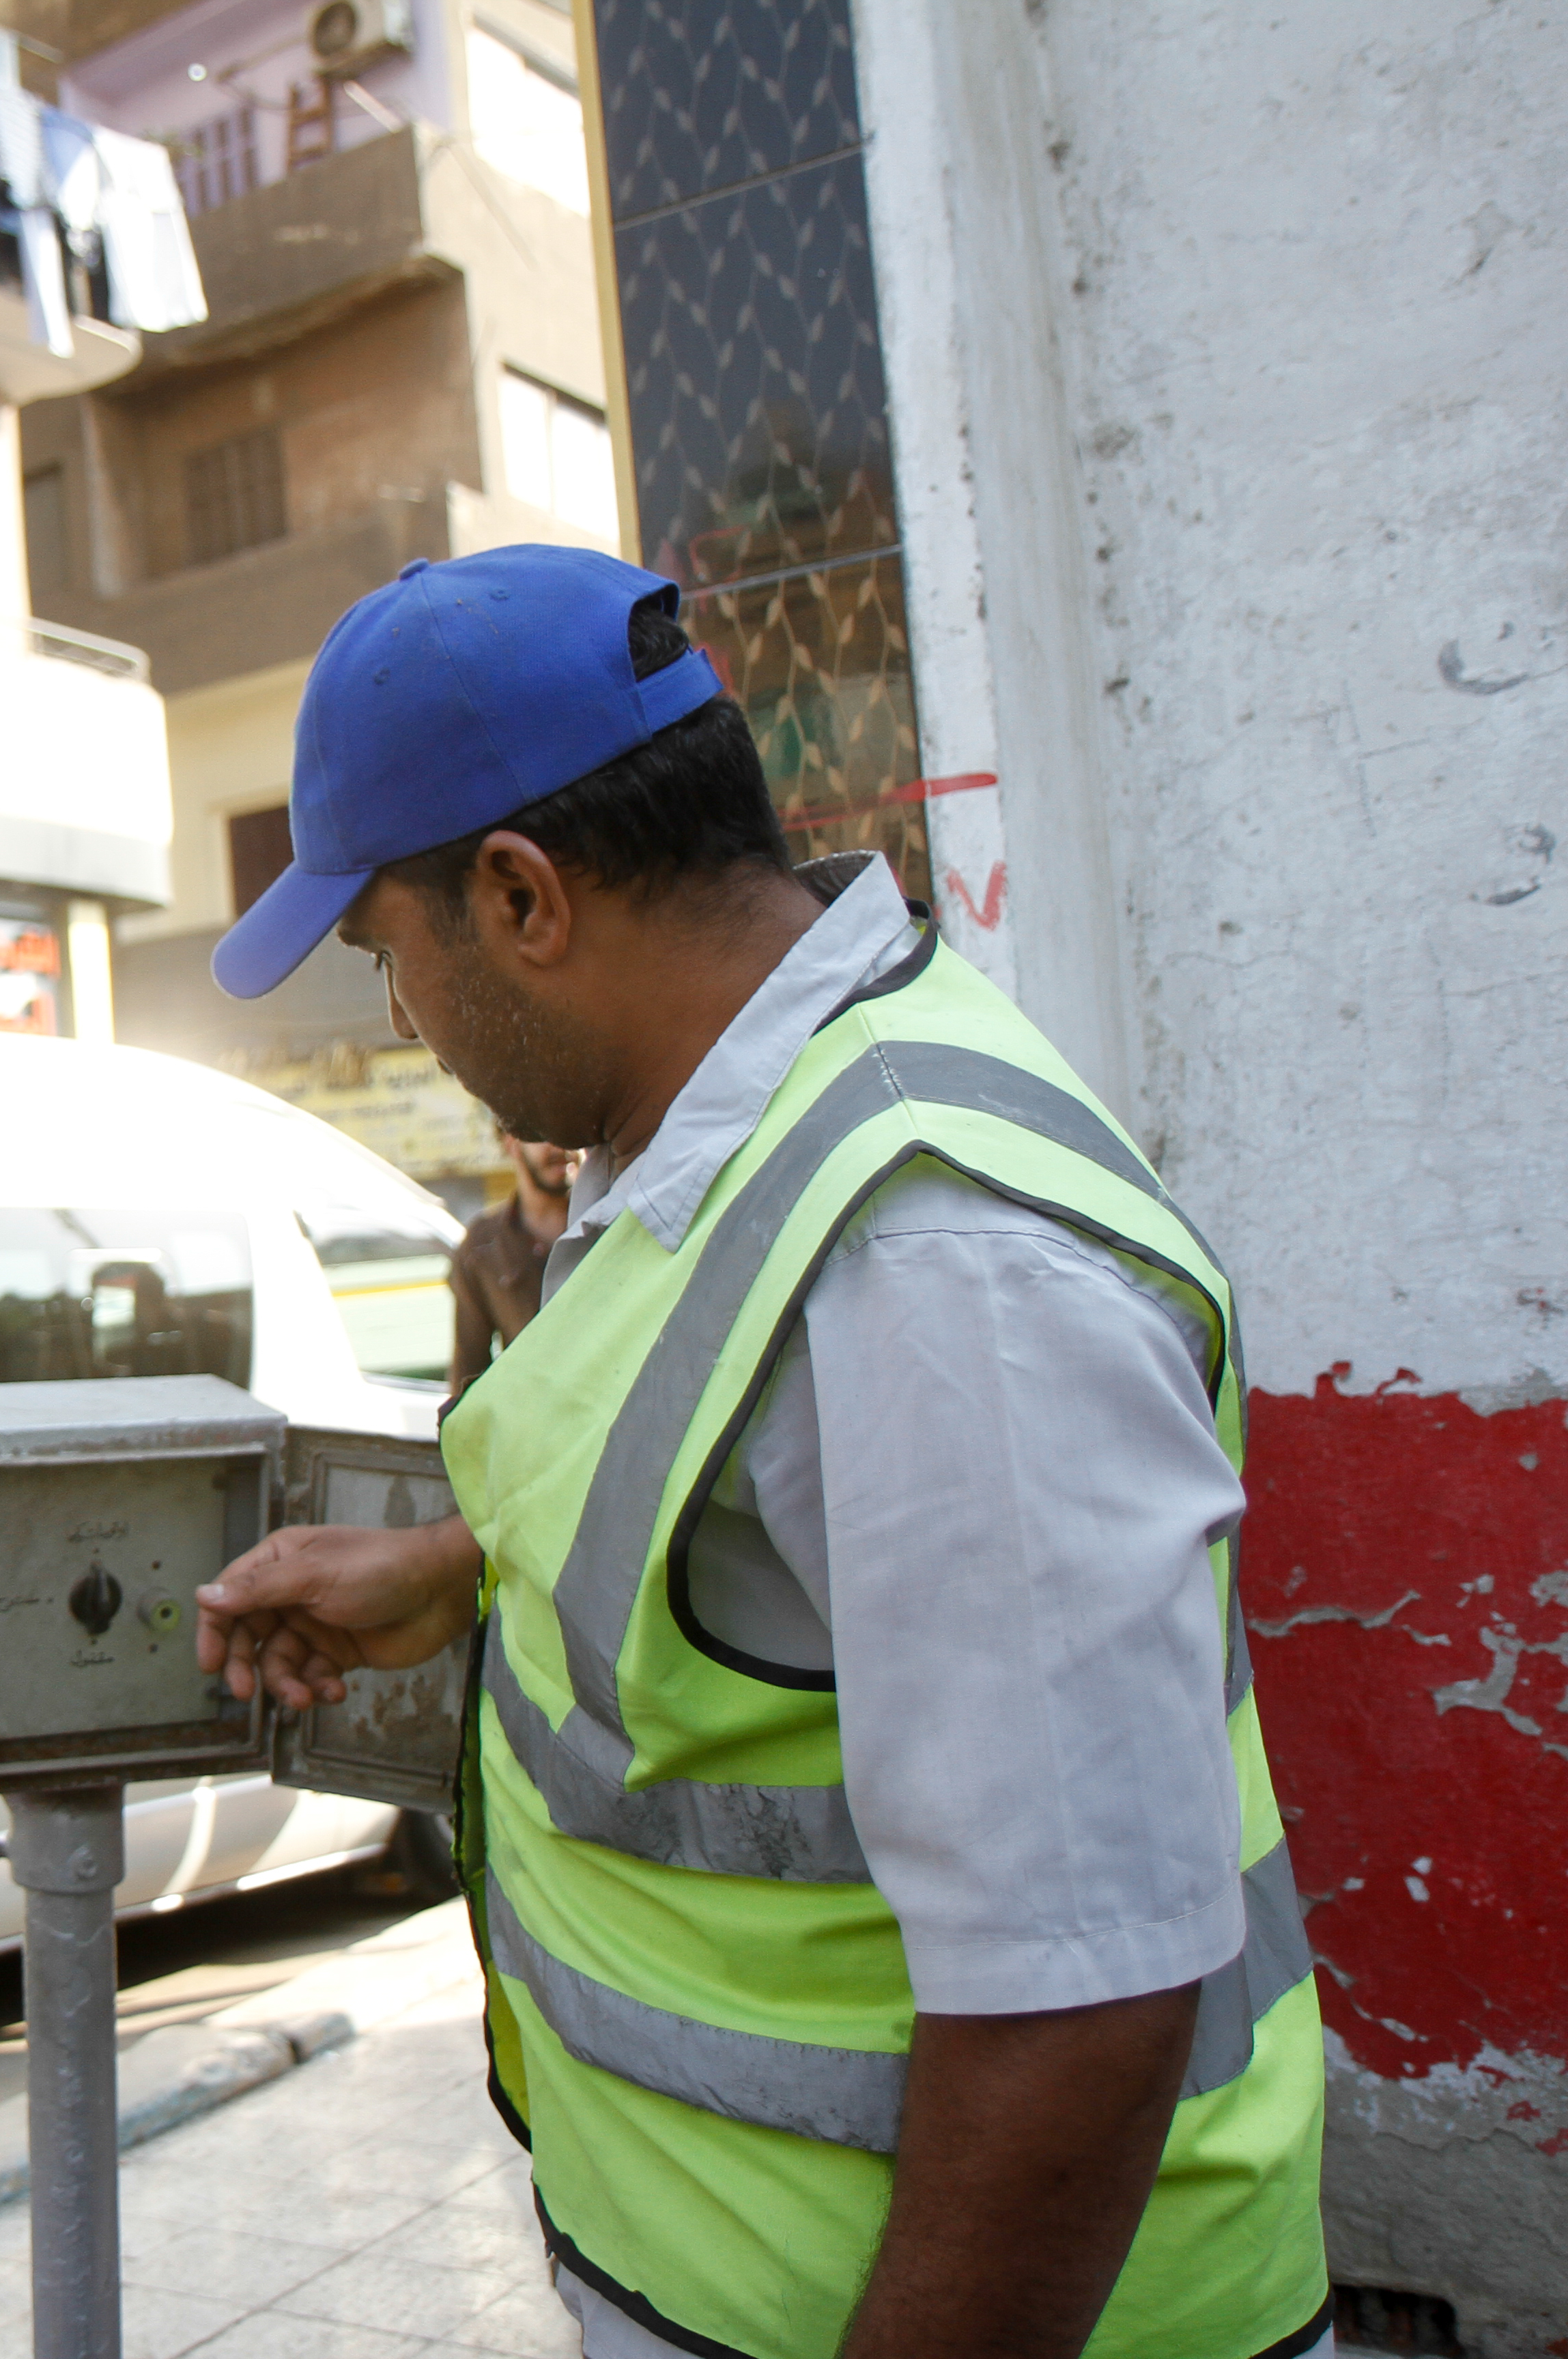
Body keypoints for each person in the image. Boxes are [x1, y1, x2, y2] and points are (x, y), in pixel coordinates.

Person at [194, 546, 1326, 2359]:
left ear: (521, 894)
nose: (401, 1016)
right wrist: (453, 1563)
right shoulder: (705, 1139)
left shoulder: (934, 1268)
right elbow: (722, 1500)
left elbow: (1080, 2007)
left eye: (383, 953)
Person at [445, 1128, 575, 1399]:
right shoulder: (483, 1246)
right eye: (542, 1133)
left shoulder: (614, 1223)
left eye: (575, 1130)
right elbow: (469, 1371)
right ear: (511, 1142)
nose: (561, 1146)